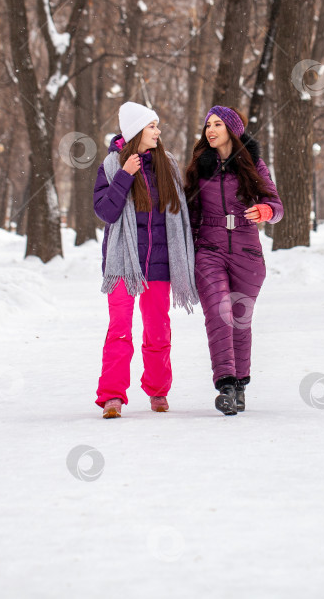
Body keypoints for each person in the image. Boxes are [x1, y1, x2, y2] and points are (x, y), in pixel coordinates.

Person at [93, 102, 198, 419]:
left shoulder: (167, 165)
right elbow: (106, 212)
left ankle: (158, 390)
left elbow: (182, 214)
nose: (158, 131)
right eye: (152, 126)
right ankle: (112, 396)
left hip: (161, 263)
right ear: (137, 130)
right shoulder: (112, 167)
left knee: (158, 330)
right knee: (120, 330)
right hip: (123, 263)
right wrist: (125, 176)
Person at [184, 106, 283, 415]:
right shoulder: (199, 167)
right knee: (218, 311)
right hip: (209, 248)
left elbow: (276, 205)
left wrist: (265, 211)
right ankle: (225, 383)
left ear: (232, 129)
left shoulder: (253, 164)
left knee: (240, 318)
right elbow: (189, 213)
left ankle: (240, 386)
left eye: (217, 124)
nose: (210, 130)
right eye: (207, 125)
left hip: (246, 250)